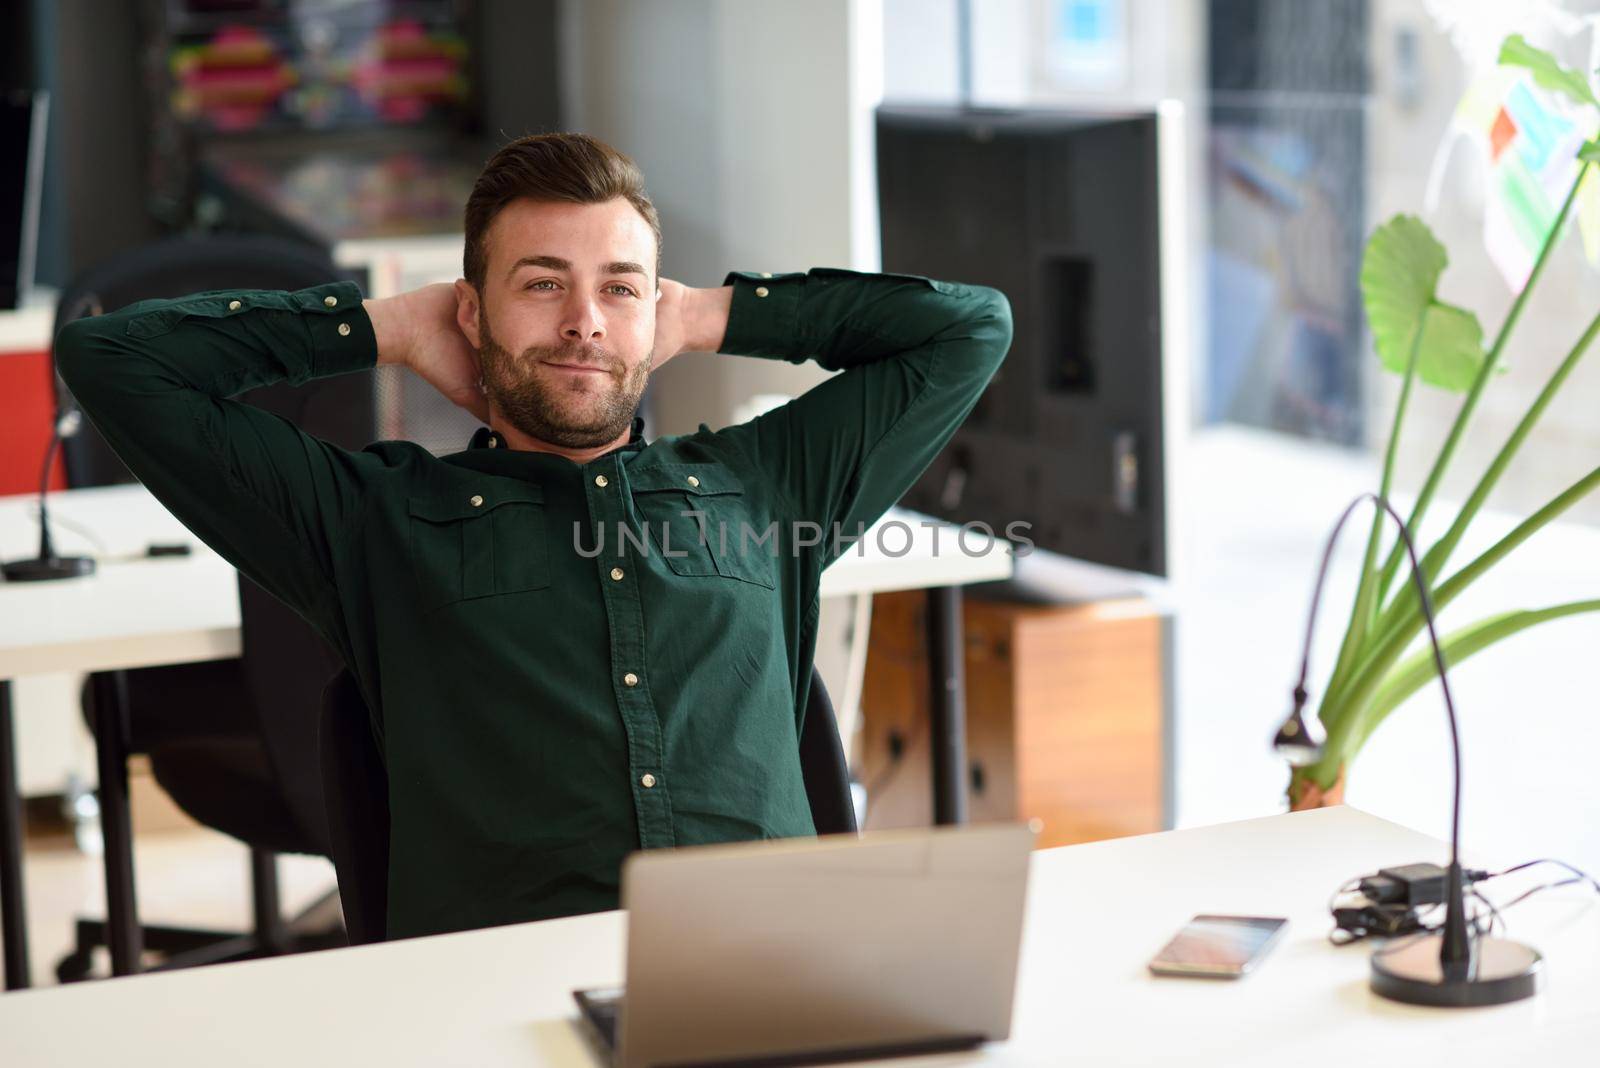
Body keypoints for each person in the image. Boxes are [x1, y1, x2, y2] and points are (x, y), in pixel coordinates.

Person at [55, 132, 1013, 939]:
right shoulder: (370, 518)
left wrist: (707, 312)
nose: (584, 322)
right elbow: (115, 358)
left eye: (618, 289)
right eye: (542, 285)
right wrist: (380, 327)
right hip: (510, 994)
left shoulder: (762, 483)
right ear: (472, 312)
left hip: (770, 965)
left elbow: (971, 328)